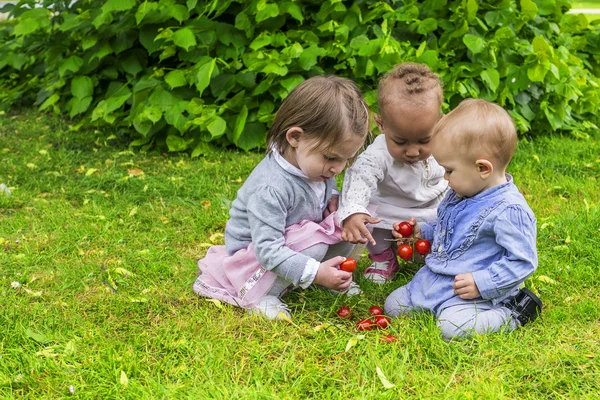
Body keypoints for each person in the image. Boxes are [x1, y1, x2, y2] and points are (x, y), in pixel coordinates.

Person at [193, 76, 371, 320]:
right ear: (295, 137)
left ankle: (328, 275)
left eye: (346, 159)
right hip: (256, 257)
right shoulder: (271, 188)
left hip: (298, 236)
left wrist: (336, 202)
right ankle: (264, 295)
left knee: (352, 221)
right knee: (316, 247)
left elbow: (326, 191)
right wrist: (315, 270)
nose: (337, 169)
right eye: (331, 158)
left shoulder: (313, 165)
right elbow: (268, 250)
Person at [384, 98, 542, 340]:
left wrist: (482, 282)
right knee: (393, 306)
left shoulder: (508, 210)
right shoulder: (462, 192)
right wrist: (422, 233)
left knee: (451, 328)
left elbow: (523, 261)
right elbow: (449, 229)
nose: (445, 178)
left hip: (473, 293)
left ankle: (513, 313)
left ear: (483, 168)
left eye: (449, 170)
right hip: (436, 281)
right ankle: (436, 304)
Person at [338, 63, 448, 283]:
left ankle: (431, 255)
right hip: (388, 210)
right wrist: (354, 211)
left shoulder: (446, 144)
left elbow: (456, 172)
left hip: (430, 208)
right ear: (381, 125)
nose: (413, 151)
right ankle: (383, 258)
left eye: (424, 140)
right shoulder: (377, 156)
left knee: (445, 228)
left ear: (439, 123)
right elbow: (359, 180)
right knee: (371, 225)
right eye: (400, 141)